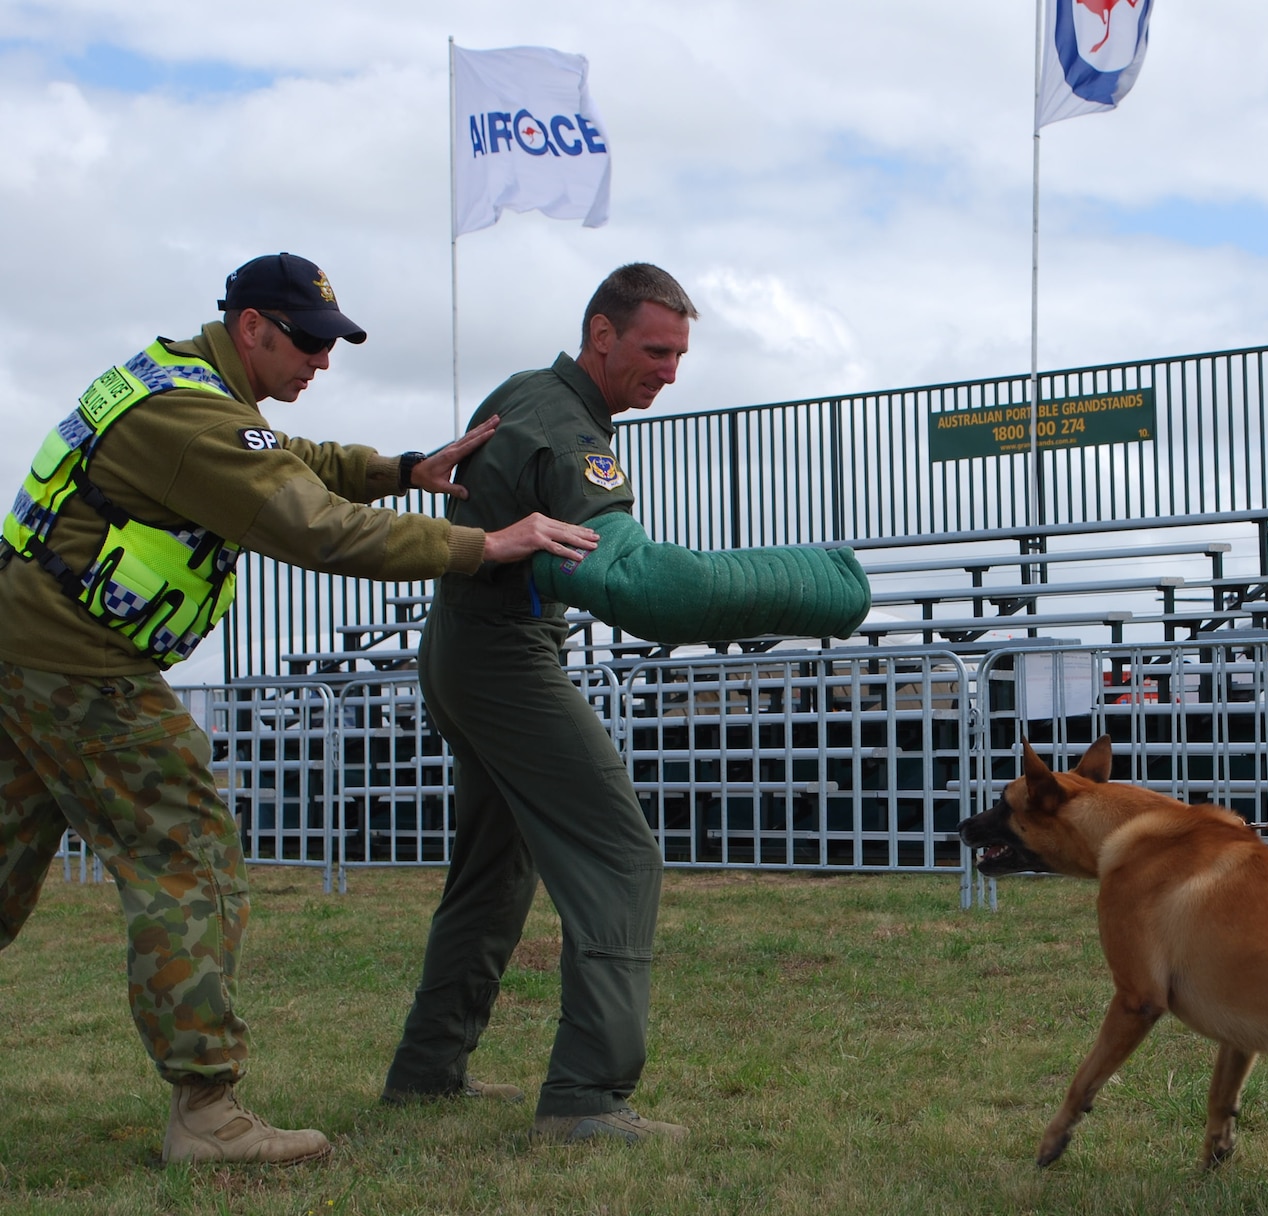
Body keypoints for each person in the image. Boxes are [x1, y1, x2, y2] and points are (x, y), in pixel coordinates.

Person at [0, 253, 596, 1165]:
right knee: (189, 852)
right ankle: (207, 1111)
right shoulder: (191, 417)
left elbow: (300, 463)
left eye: (331, 345)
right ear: (251, 328)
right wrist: (485, 543)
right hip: (83, 669)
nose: (322, 363)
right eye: (309, 344)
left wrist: (404, 468)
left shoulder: (182, 382)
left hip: (26, 652)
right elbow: (316, 526)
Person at [381, 263, 868, 1144]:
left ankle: (426, 1072)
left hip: (457, 649)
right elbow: (647, 588)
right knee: (619, 854)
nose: (671, 372)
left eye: (681, 354)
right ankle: (586, 1095)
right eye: (655, 350)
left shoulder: (524, 393)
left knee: (495, 868)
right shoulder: (569, 432)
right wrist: (816, 584)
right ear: (601, 335)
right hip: (502, 660)